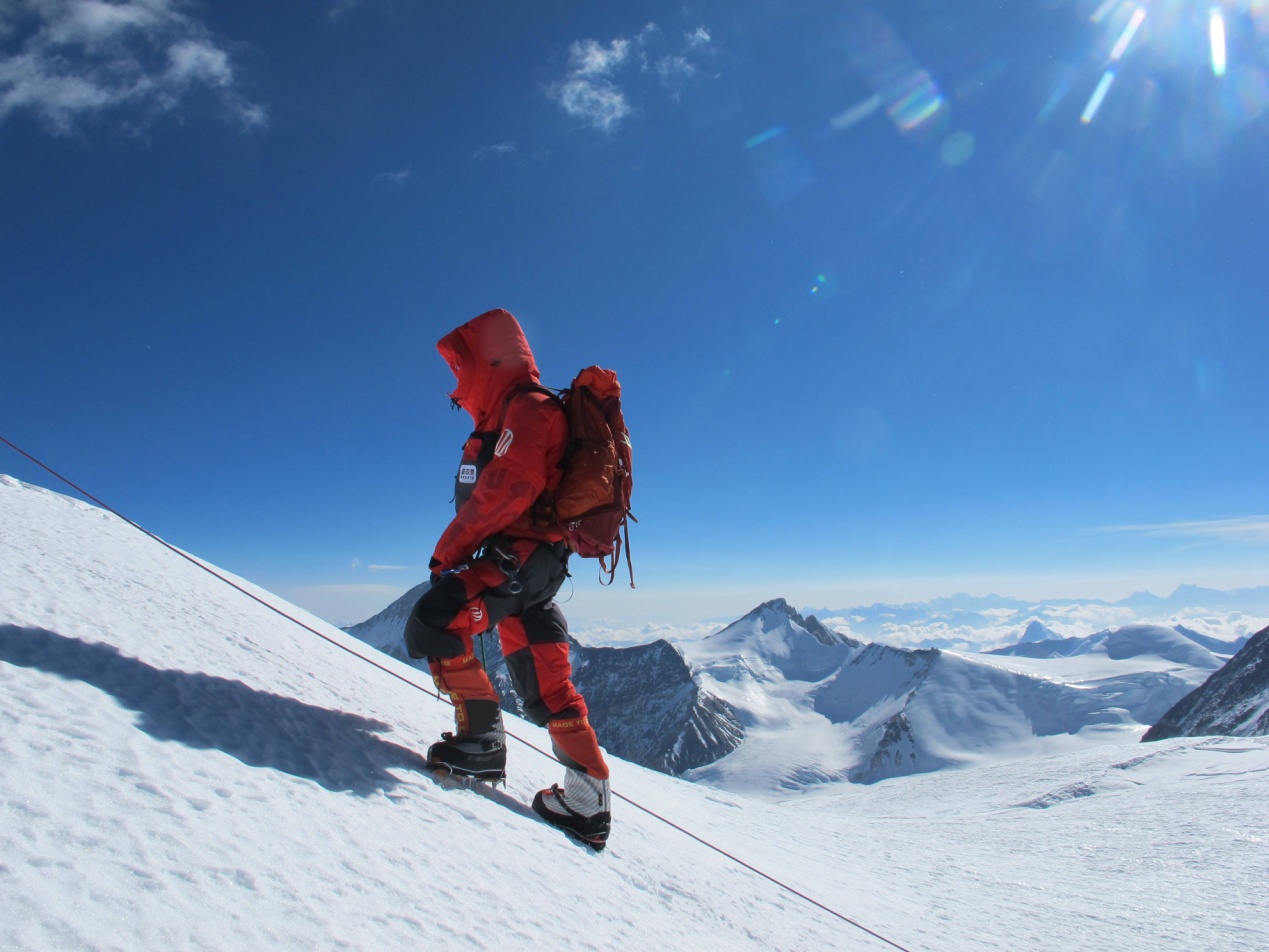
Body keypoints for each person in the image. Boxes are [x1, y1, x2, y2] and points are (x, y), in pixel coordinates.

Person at [403, 308, 612, 849]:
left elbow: (510, 488)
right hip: (537, 567)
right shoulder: (516, 412)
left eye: (461, 371)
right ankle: (587, 805)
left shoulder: (528, 409)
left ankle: (481, 741)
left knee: (433, 621)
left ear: (489, 361)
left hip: (518, 560)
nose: (457, 386)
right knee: (546, 680)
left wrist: (445, 555)